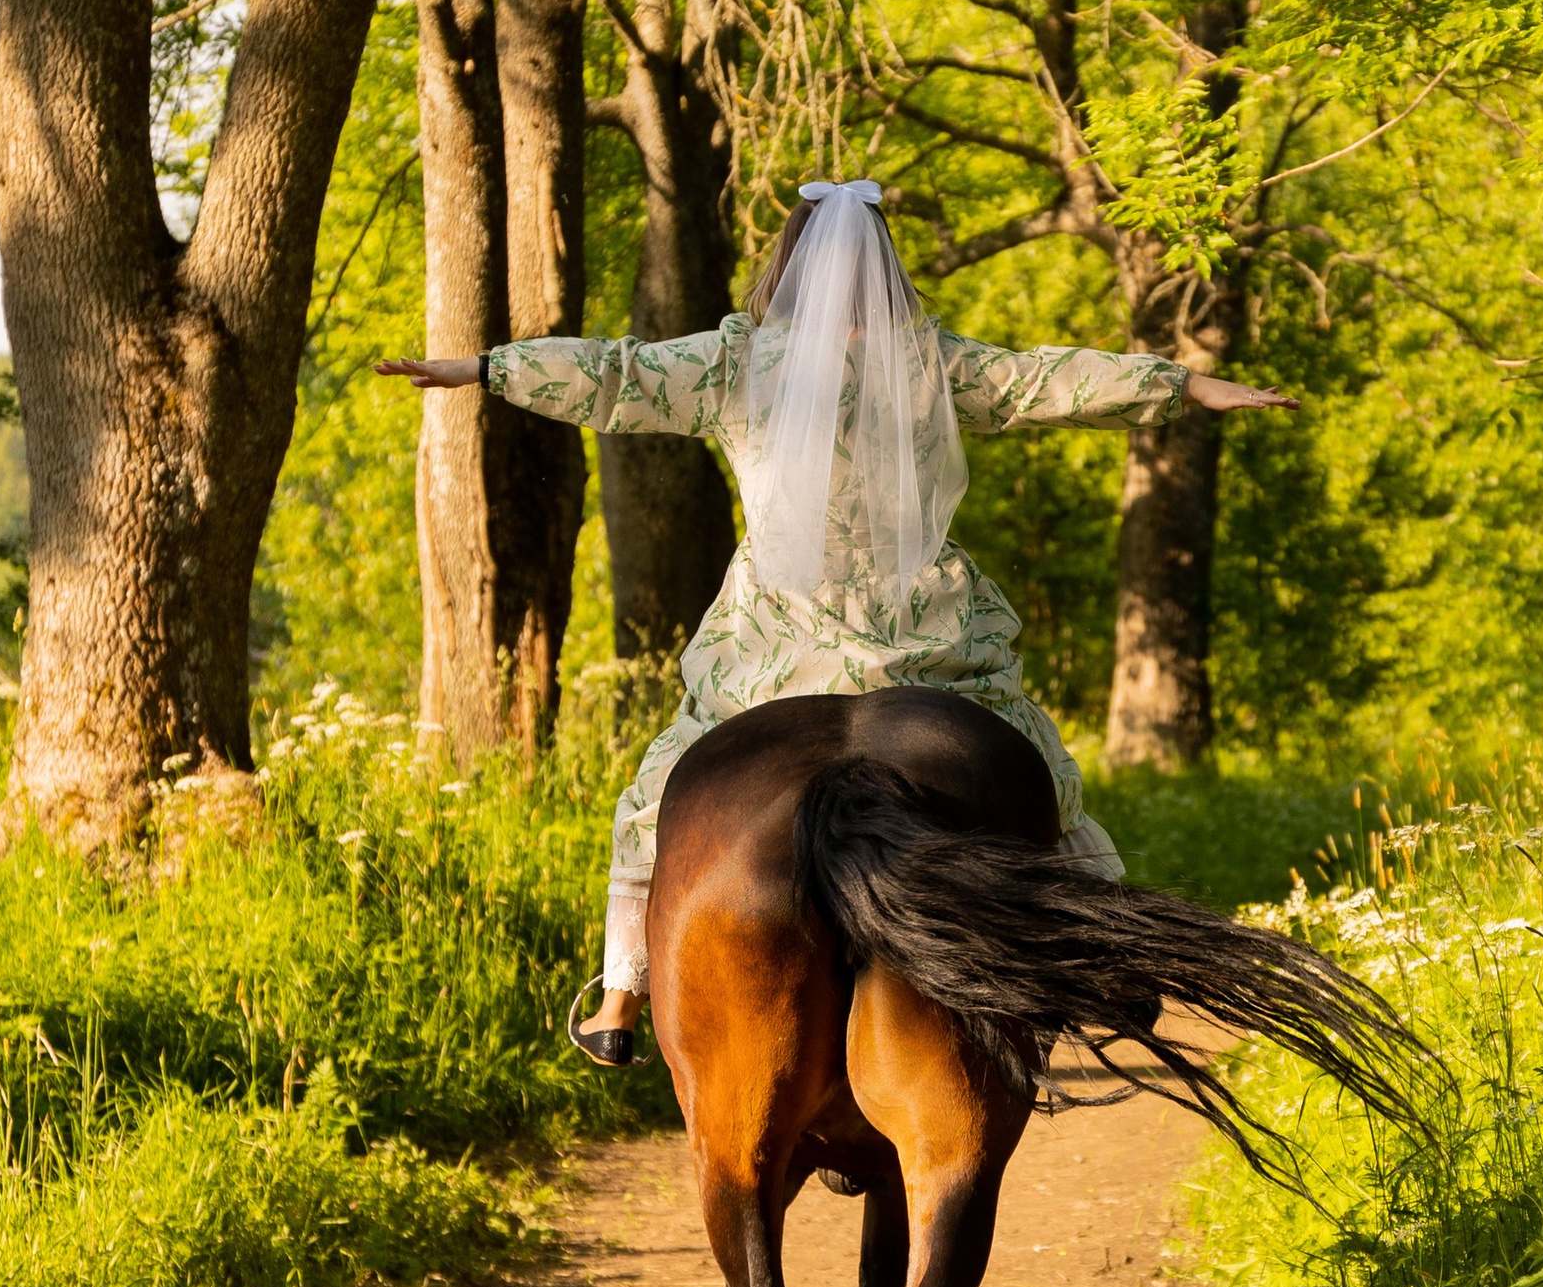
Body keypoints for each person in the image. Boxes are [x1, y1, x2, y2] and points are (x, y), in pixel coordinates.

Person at [378, 177, 1292, 1066]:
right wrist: (1188, 385)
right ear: (885, 270)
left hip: (779, 635)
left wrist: (485, 369)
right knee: (1034, 756)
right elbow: (1049, 381)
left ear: (788, 266)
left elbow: (615, 377)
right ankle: (1106, 954)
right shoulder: (932, 361)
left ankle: (623, 987)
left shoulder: (738, 361)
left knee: (666, 780)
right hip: (923, 628)